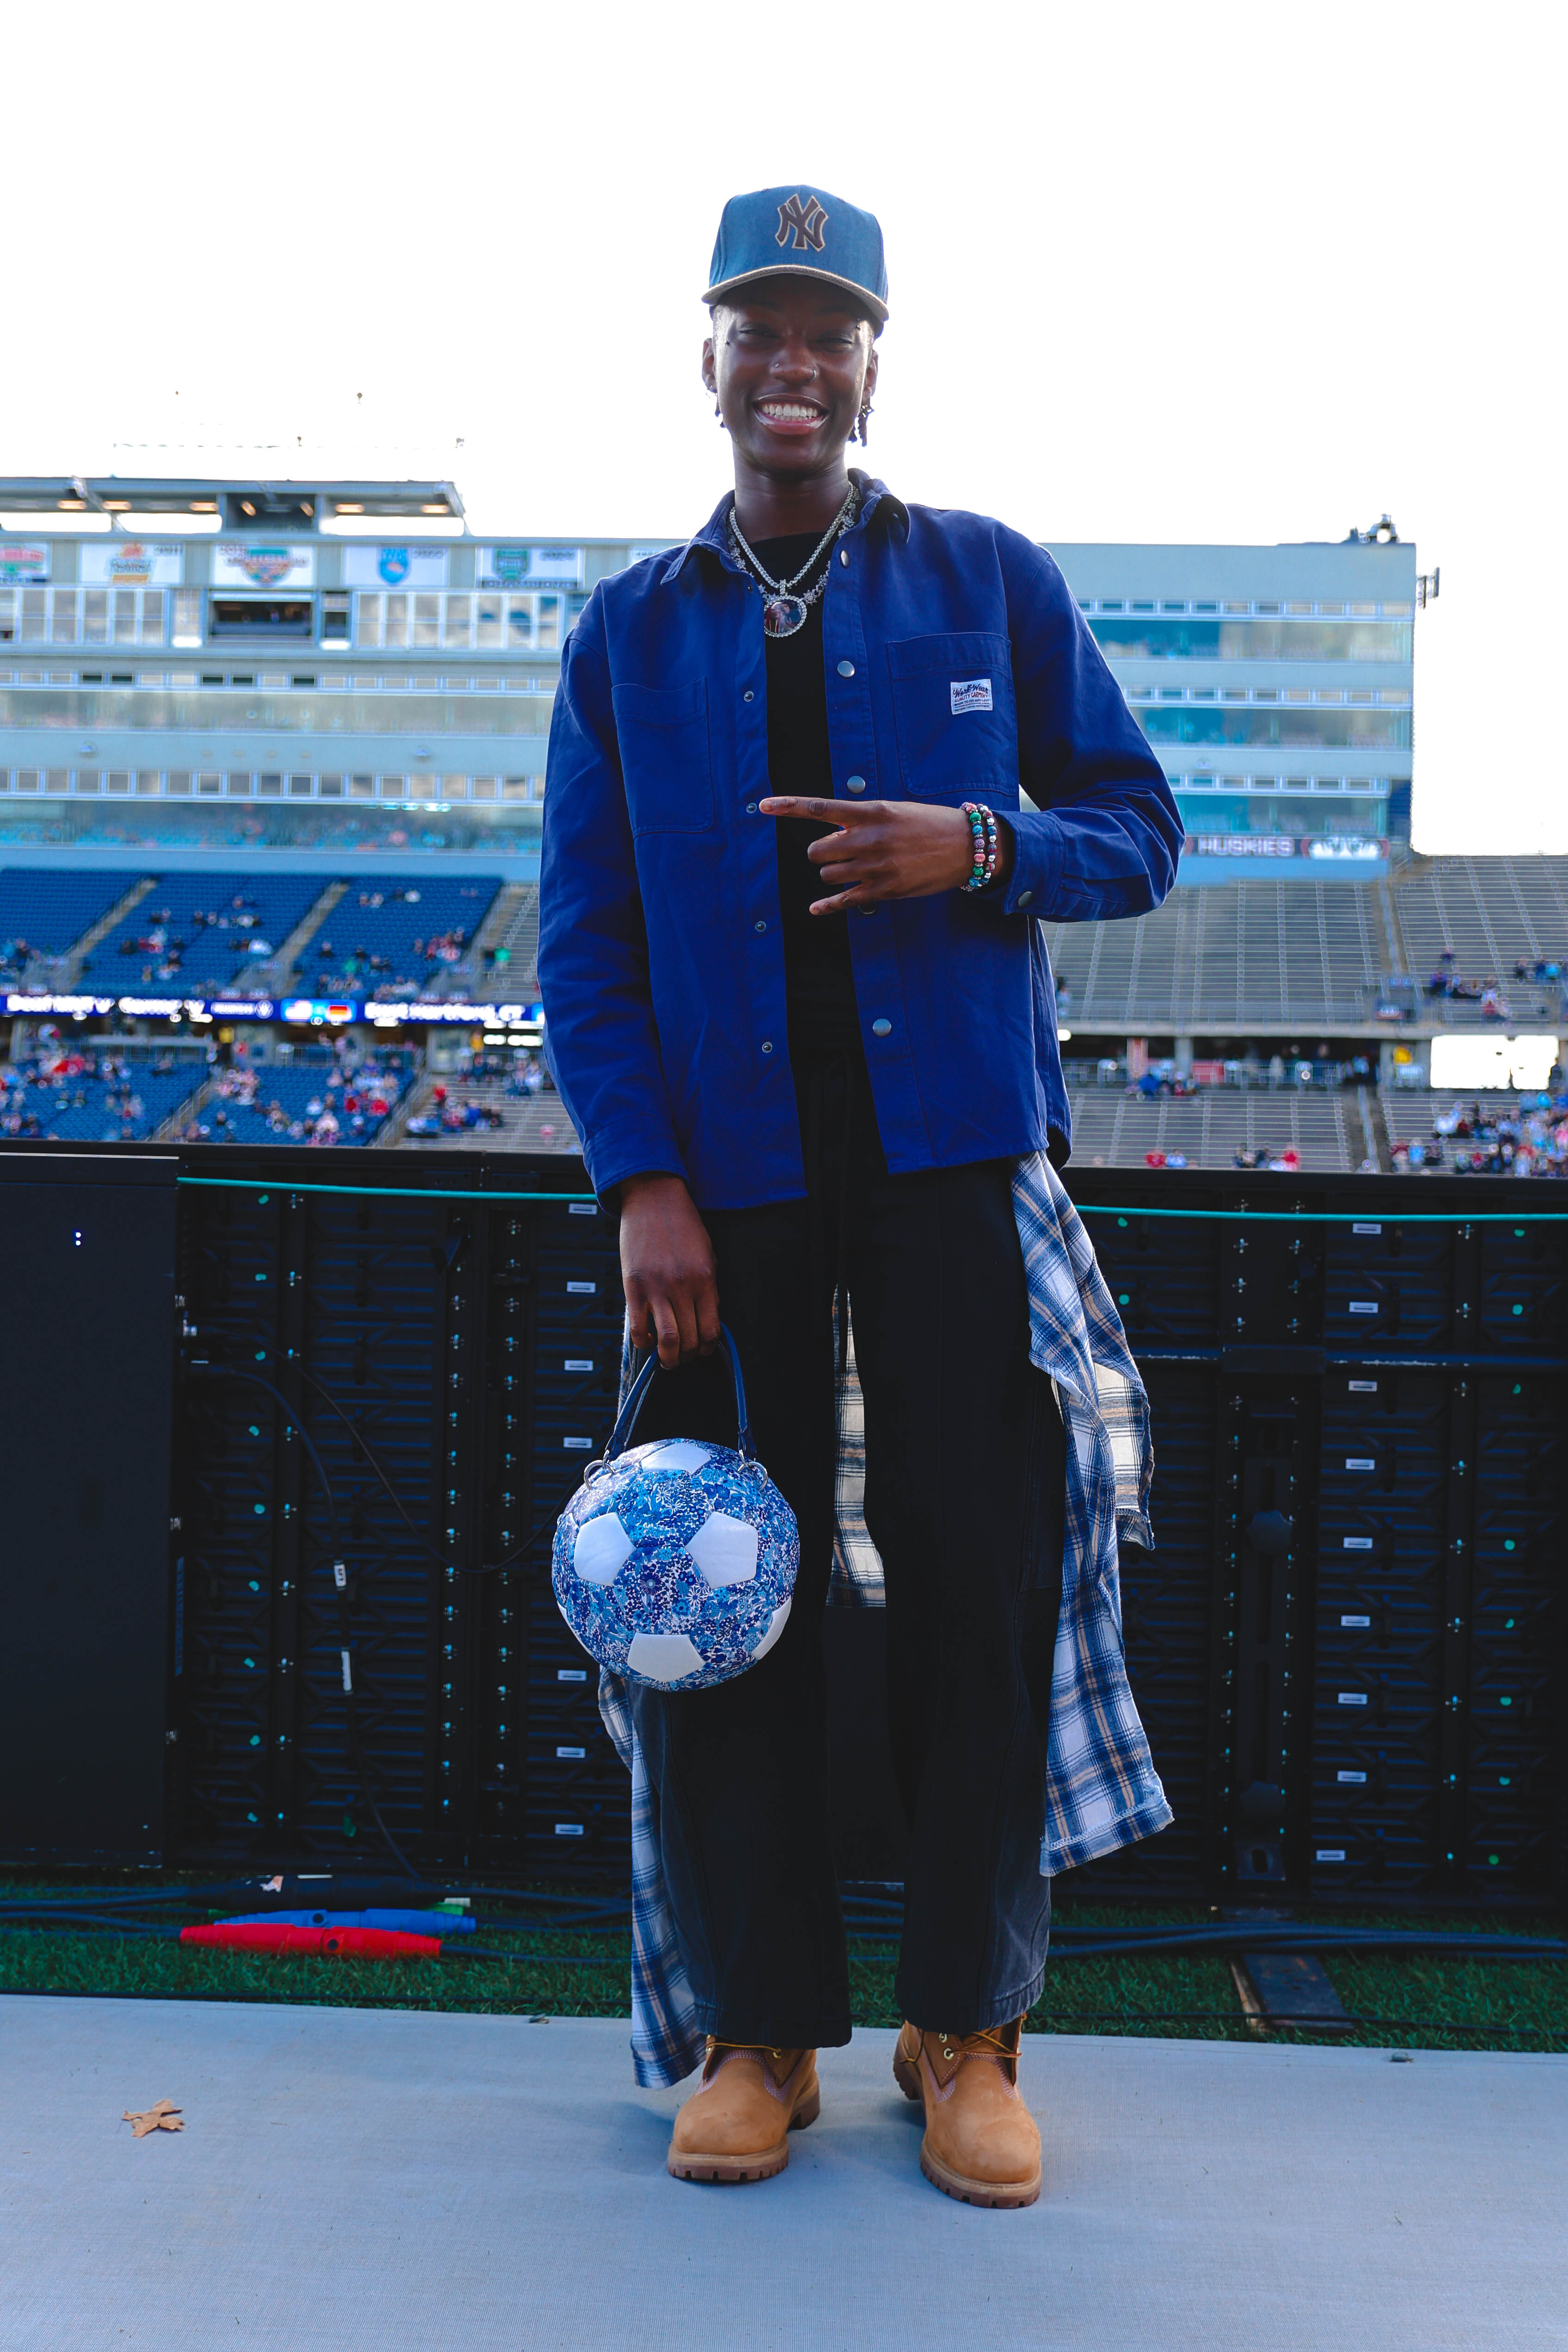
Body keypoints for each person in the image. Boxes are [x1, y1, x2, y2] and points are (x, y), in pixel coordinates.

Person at [538, 185, 1183, 2207]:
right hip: (724, 1194)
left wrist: (973, 850)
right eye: (760, 331)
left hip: (947, 1175)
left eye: (831, 335)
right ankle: (759, 2031)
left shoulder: (986, 579)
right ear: (709, 361)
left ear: (872, 366)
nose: (792, 368)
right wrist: (641, 1179)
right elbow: (585, 938)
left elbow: (1138, 833)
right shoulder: (629, 628)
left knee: (976, 1586)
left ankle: (963, 2029)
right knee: (718, 1589)